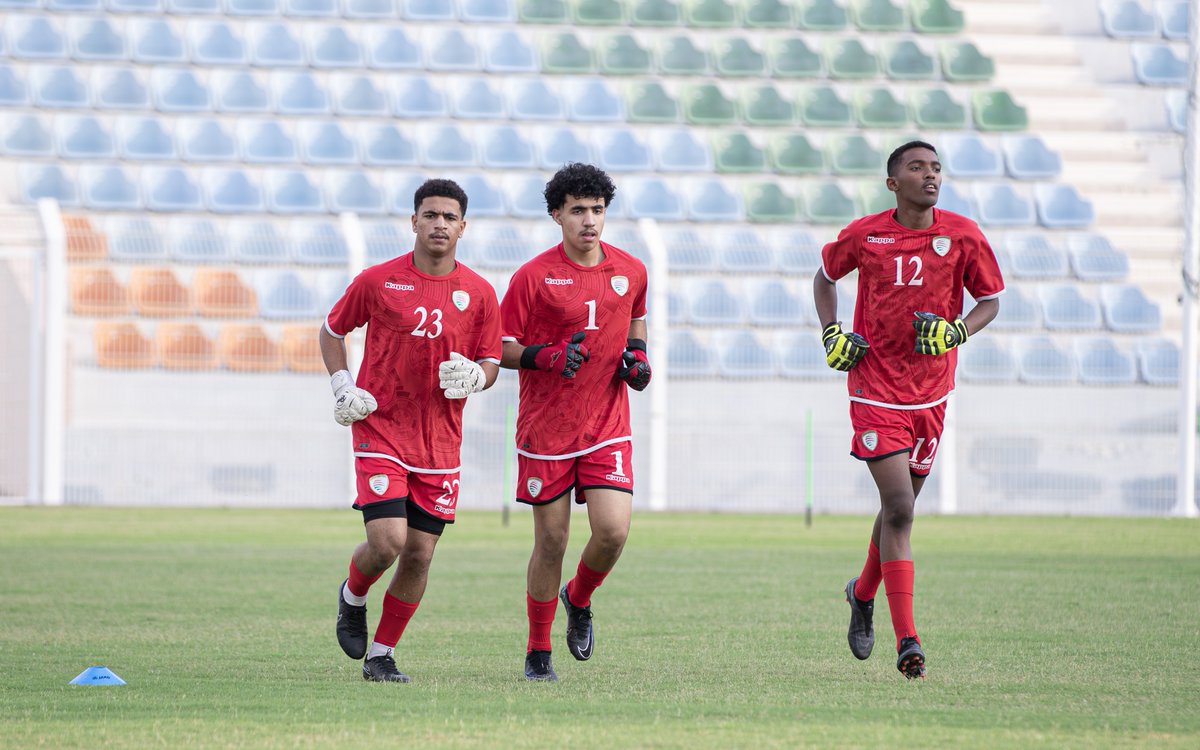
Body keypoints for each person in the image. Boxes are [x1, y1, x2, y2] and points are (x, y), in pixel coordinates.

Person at [813, 141, 1004, 680]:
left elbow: (990, 301)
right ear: (892, 183)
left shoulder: (962, 234)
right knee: (899, 506)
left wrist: (958, 330)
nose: (930, 175)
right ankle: (908, 641)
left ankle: (862, 591)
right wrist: (831, 331)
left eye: (936, 167)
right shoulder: (865, 234)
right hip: (873, 387)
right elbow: (825, 277)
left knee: (899, 510)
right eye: (916, 167)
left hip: (931, 394)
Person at [321, 179, 502, 683]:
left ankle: (382, 655)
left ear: (463, 226)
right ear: (414, 221)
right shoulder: (378, 281)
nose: (439, 223)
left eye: (449, 217)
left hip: (441, 442)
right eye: (430, 214)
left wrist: (478, 378)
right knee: (388, 542)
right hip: (380, 428)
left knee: (419, 554)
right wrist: (341, 386)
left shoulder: (481, 293)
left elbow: (491, 359)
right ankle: (352, 595)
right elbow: (333, 330)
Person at [498, 163, 652, 681]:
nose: (589, 220)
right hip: (546, 428)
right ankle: (537, 652)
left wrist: (637, 356)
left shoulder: (631, 269)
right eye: (578, 210)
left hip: (607, 421)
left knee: (612, 532)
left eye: (598, 210)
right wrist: (543, 356)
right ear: (556, 215)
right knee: (553, 541)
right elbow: (498, 347)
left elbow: (635, 315)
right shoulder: (533, 276)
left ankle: (578, 597)